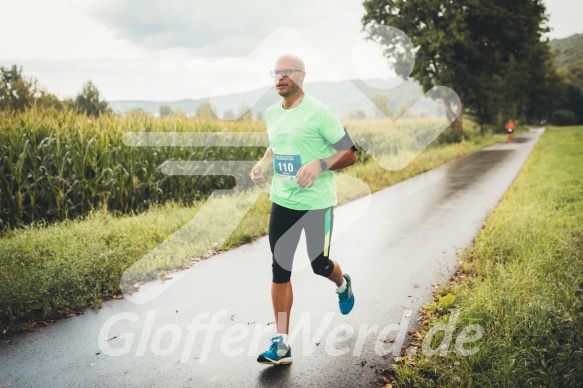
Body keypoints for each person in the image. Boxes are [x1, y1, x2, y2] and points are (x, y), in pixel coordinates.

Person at [250, 54, 358, 365]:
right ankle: (282, 344)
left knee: (319, 264)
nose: (280, 77)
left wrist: (320, 164)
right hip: (282, 201)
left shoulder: (321, 113)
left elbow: (350, 154)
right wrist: (262, 164)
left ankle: (343, 284)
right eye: (276, 72)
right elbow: (276, 145)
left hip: (316, 206)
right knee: (279, 267)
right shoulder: (272, 113)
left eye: (287, 72)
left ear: (302, 76)